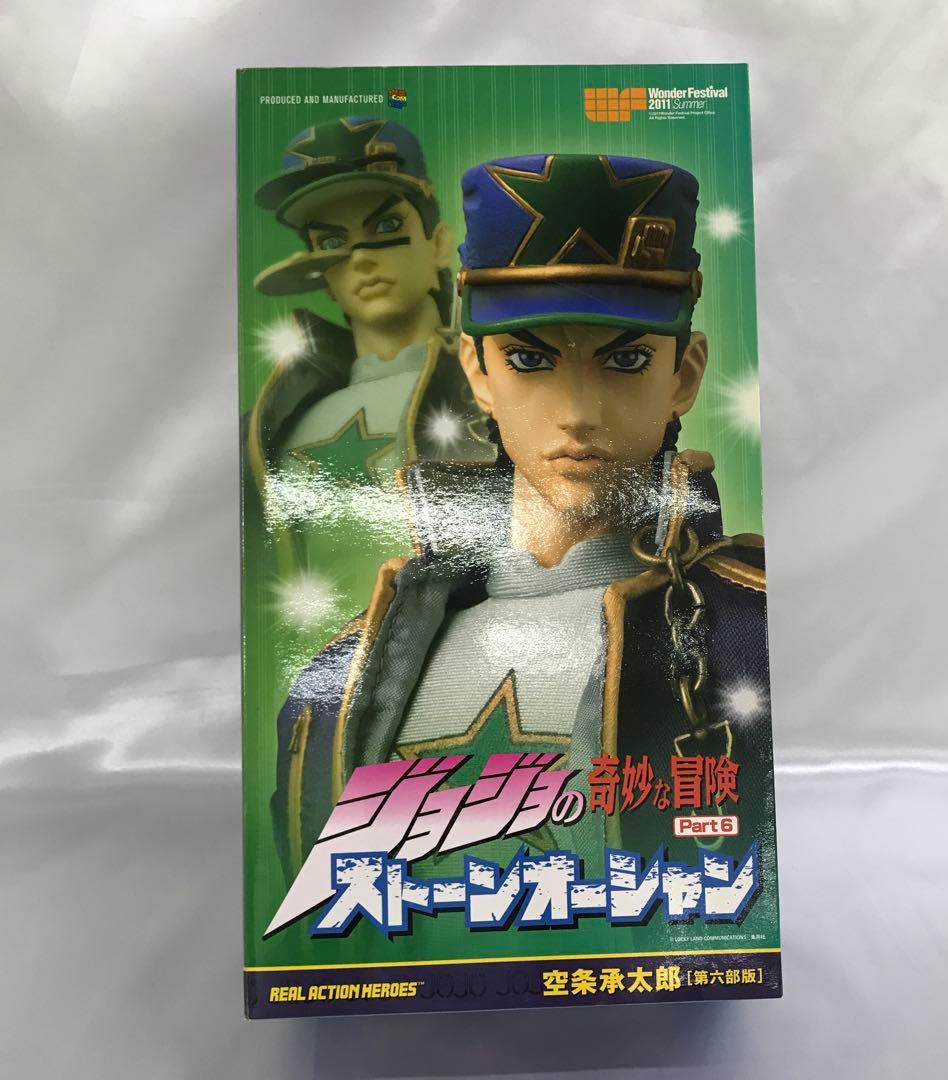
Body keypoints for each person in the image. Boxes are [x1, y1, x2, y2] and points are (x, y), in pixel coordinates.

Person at [271, 152, 773, 878]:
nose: (577, 413)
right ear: (477, 371)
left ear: (685, 375)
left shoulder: (751, 629)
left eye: (625, 361)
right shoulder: (338, 678)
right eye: (530, 361)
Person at [246, 116, 490, 625]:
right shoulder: (268, 426)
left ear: (438, 243)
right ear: (323, 275)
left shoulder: (495, 388)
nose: (360, 258)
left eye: (386, 228)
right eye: (332, 242)